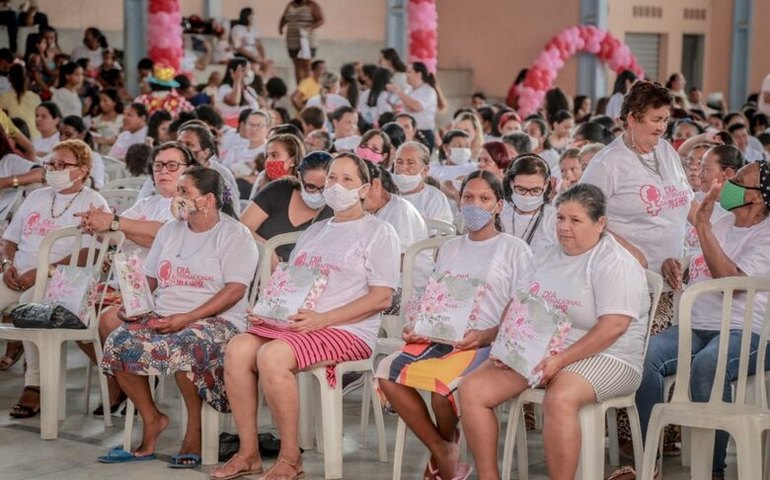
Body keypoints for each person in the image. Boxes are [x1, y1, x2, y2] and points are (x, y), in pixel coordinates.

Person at [211, 152, 399, 480]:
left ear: (365, 188)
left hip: (347, 330)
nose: (336, 186)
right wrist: (269, 310)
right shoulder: (316, 230)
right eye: (331, 179)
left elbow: (382, 297)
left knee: (271, 355)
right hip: (300, 324)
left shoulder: (378, 232)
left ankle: (289, 457)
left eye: (347, 180)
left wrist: (323, 319)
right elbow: (293, 282)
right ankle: (248, 452)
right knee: (238, 347)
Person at [458, 183, 649, 480]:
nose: (565, 227)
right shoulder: (546, 255)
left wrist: (559, 360)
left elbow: (614, 326)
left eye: (575, 220)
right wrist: (507, 347)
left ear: (600, 224)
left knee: (559, 398)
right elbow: (519, 304)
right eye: (560, 218)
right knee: (472, 388)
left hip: (610, 355)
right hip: (542, 350)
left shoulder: (614, 261)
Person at [377, 170, 534, 480]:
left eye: (484, 198)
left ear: (499, 205)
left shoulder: (514, 249)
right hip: (442, 337)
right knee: (387, 372)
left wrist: (488, 334)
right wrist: (418, 325)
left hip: (487, 342)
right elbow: (438, 295)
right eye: (468, 198)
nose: (474, 204)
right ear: (459, 202)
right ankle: (443, 448)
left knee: (440, 393)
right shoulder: (450, 247)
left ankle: (442, 455)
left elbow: (523, 307)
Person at [99, 167, 258, 466]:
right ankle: (153, 419)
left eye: (185, 192)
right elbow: (150, 280)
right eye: (179, 190)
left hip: (217, 319)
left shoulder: (234, 234)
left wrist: (188, 317)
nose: (177, 196)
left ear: (208, 200)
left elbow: (235, 291)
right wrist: (131, 304)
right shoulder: (170, 231)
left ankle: (194, 430)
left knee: (186, 345)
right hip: (165, 313)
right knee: (119, 341)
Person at [629, 160, 770, 480]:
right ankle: (648, 461)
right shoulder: (721, 225)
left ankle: (713, 470)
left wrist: (703, 227)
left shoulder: (765, 235)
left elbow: (729, 281)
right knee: (646, 356)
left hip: (746, 333)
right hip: (696, 327)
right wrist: (674, 265)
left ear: (757, 197)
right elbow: (701, 267)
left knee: (709, 364)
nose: (730, 181)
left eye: (739, 179)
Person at [580, 80, 695, 458]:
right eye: (654, 120)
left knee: (676, 356)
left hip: (675, 275)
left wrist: (711, 233)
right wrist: (630, 251)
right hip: (633, 281)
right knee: (645, 355)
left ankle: (667, 430)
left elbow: (685, 203)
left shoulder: (667, 152)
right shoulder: (606, 164)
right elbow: (584, 215)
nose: (662, 128)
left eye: (665, 120)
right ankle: (638, 437)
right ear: (631, 118)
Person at [76, 142, 198, 414]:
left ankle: (126, 387)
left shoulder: (189, 204)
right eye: (158, 166)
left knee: (109, 320)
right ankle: (119, 376)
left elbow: (162, 233)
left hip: (165, 290)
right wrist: (94, 225)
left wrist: (118, 224)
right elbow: (117, 233)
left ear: (188, 170)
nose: (163, 171)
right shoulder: (147, 203)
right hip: (128, 285)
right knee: (75, 311)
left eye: (172, 165)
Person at [3, 139, 108, 418]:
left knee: (30, 304)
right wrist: (7, 264)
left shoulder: (93, 202)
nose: (54, 169)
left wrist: (43, 271)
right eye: (51, 163)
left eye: (63, 165)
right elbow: (10, 240)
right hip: (17, 275)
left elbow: (91, 253)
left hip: (60, 279)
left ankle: (34, 385)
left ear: (82, 170)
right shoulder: (36, 197)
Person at [240, 144, 332, 265]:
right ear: (299, 177)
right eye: (310, 187)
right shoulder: (279, 190)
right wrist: (267, 250)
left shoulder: (334, 211)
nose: (318, 193)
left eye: (324, 188)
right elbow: (241, 228)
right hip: (252, 269)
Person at [500, 154, 557, 257]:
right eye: (521, 190)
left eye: (535, 190)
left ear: (546, 184)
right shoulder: (499, 211)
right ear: (511, 182)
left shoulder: (553, 218)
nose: (527, 196)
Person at [392, 141, 453, 225]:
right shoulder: (383, 193)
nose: (403, 168)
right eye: (399, 162)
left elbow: (440, 236)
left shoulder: (434, 199)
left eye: (410, 163)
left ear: (425, 170)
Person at [387, 62, 439, 151]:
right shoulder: (408, 89)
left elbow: (416, 106)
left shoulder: (428, 91)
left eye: (409, 72)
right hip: (408, 132)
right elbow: (396, 103)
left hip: (423, 132)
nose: (406, 75)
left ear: (418, 74)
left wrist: (399, 92)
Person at [279, 0, 324, 83]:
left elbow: (320, 19)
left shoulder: (311, 5)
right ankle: (300, 86)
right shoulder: (291, 5)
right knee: (297, 65)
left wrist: (310, 27)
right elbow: (284, 17)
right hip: (292, 40)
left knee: (306, 66)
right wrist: (280, 27)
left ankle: (307, 89)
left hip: (307, 40)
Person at [221, 109, 270, 179]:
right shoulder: (236, 149)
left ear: (267, 128)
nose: (253, 129)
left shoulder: (269, 151)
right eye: (250, 124)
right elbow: (222, 172)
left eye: (258, 125)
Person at [0, 63, 41, 139]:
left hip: (19, 139)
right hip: (37, 136)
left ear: (9, 79)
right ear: (26, 78)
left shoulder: (4, 97)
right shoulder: (35, 97)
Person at [217, 58, 260, 128]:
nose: (248, 73)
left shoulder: (250, 90)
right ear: (233, 71)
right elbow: (234, 101)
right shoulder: (224, 88)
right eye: (246, 69)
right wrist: (237, 81)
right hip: (231, 128)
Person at [90, 88, 124, 154]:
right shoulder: (95, 120)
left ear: (114, 102)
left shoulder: (122, 119)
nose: (101, 104)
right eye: (100, 101)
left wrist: (106, 141)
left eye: (105, 101)